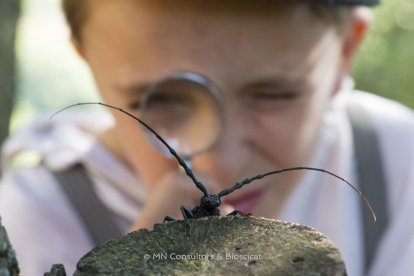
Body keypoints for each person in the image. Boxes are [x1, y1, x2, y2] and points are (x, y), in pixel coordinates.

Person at [0, 0, 413, 275]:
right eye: (161, 99)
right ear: (85, 58)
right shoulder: (27, 222)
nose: (223, 163)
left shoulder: (398, 167)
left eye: (274, 94)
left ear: (345, 50)